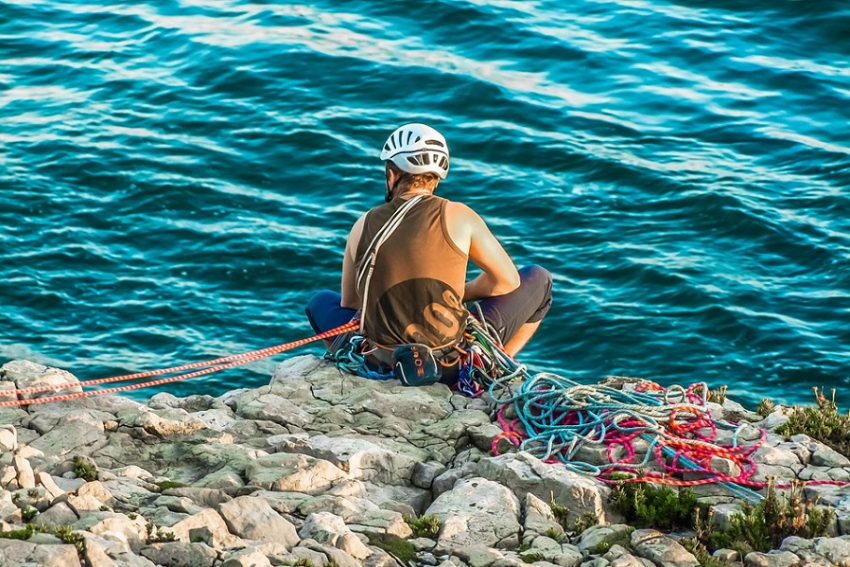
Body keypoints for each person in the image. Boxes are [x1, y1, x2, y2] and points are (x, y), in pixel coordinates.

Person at [306, 123, 552, 383]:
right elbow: (507, 281)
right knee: (540, 278)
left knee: (319, 302)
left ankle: (352, 368)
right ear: (437, 176)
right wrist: (458, 293)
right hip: (451, 364)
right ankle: (495, 367)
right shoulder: (460, 215)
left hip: (380, 360)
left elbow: (351, 302)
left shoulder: (362, 224)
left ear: (392, 173)